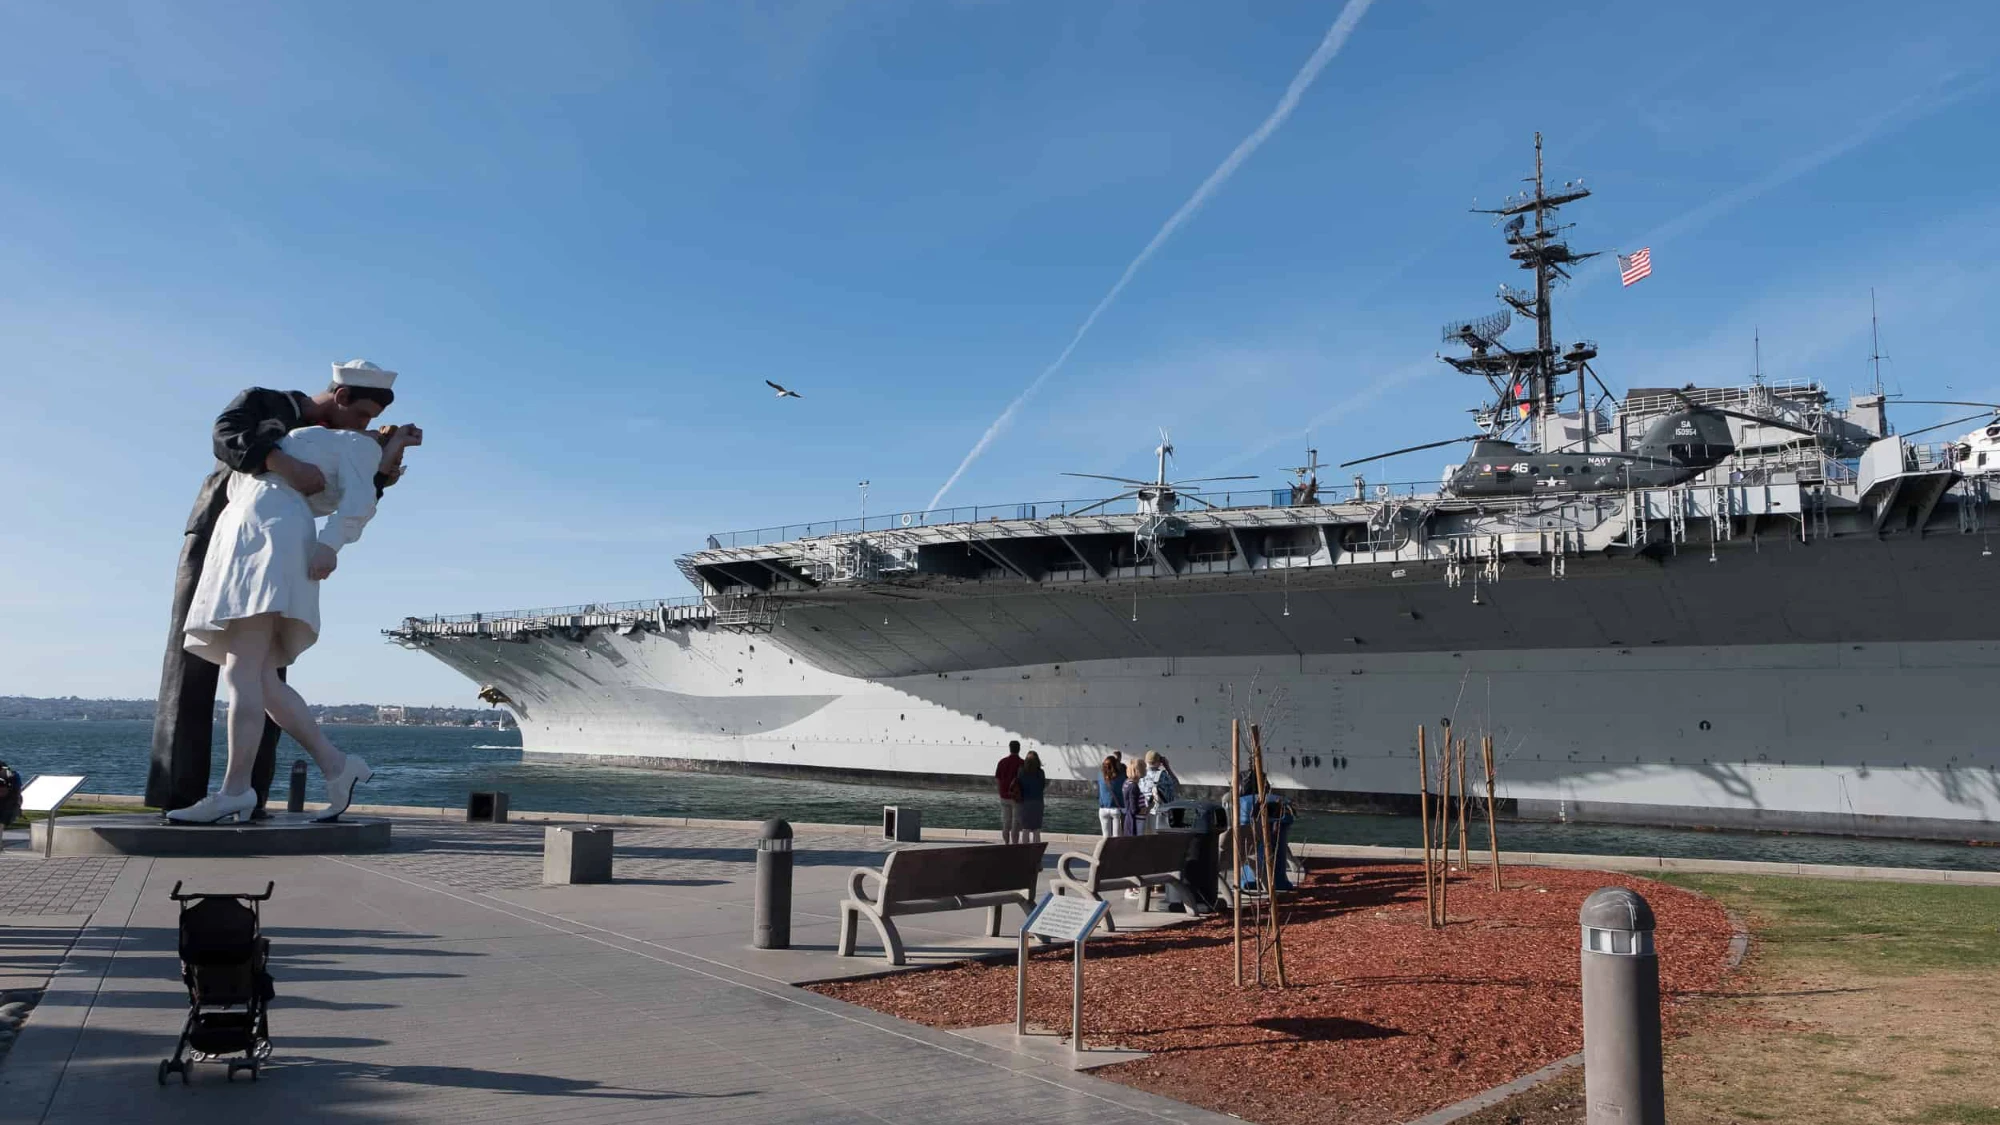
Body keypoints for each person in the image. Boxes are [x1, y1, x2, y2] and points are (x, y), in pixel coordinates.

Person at [167, 367, 421, 825]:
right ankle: (336, 765)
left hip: (271, 536)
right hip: (243, 534)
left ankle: (235, 789)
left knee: (243, 670)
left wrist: (331, 544)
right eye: (360, 413)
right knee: (261, 677)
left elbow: (359, 499)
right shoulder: (294, 423)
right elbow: (226, 435)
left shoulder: (354, 444)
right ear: (340, 395)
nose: (364, 425)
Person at [994, 740, 1024, 844]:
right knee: (1015, 823)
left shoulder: (1002, 762)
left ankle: (1006, 844)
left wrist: (1000, 792)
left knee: (1006, 823)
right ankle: (1014, 845)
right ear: (1019, 749)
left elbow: (997, 779)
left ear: (1009, 748)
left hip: (1004, 796)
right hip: (1016, 797)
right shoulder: (1022, 763)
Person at [1016, 750, 1046, 844]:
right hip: (1038, 802)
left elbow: (1019, 785)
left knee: (1025, 829)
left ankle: (1025, 851)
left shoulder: (1021, 771)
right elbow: (1042, 786)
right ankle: (1036, 851)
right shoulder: (1040, 772)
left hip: (1025, 802)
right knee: (1037, 830)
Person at [1095, 756, 1123, 838]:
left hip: (1103, 809)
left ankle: (1106, 850)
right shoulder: (1120, 776)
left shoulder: (1100, 775)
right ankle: (1116, 850)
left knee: (1106, 837)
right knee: (1116, 837)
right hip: (1115, 809)